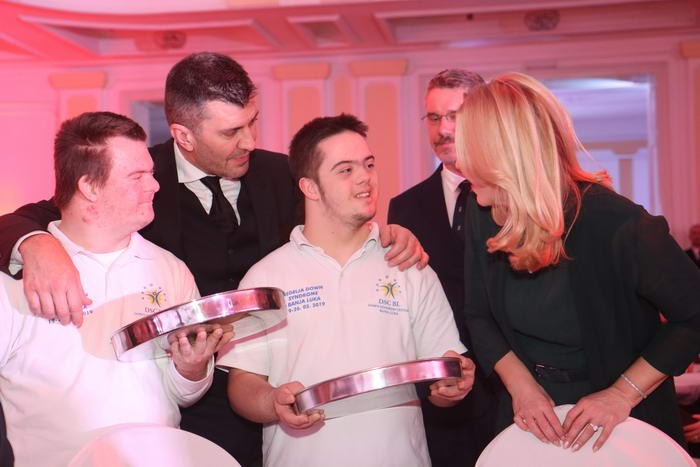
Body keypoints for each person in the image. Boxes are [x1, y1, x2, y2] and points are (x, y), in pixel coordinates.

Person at [0, 52, 426, 465]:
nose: (250, 141)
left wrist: (385, 235)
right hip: (185, 410)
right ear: (184, 135)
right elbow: (49, 212)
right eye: (231, 132)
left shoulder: (282, 175)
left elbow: (337, 226)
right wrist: (35, 244)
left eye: (252, 122)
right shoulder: (143, 176)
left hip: (271, 389)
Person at [455, 72, 700, 453]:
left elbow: (693, 317)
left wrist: (622, 394)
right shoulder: (482, 209)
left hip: (622, 422)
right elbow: (478, 314)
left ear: (504, 157)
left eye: (468, 150)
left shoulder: (619, 223)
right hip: (530, 414)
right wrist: (522, 387)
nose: (459, 163)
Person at [219, 114, 474, 466]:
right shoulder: (265, 276)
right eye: (345, 170)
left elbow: (443, 381)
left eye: (368, 164)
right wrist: (273, 402)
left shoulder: (409, 266)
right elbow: (242, 384)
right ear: (310, 187)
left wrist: (454, 386)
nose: (365, 177)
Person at [0, 111, 228, 466]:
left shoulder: (171, 269)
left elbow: (181, 394)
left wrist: (193, 369)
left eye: (151, 173)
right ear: (89, 186)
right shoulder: (16, 279)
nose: (154, 186)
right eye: (137, 176)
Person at [388, 69, 501, 465]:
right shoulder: (405, 207)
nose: (443, 129)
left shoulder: (517, 197)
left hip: (513, 389)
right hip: (441, 394)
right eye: (434, 118)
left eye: (455, 116)